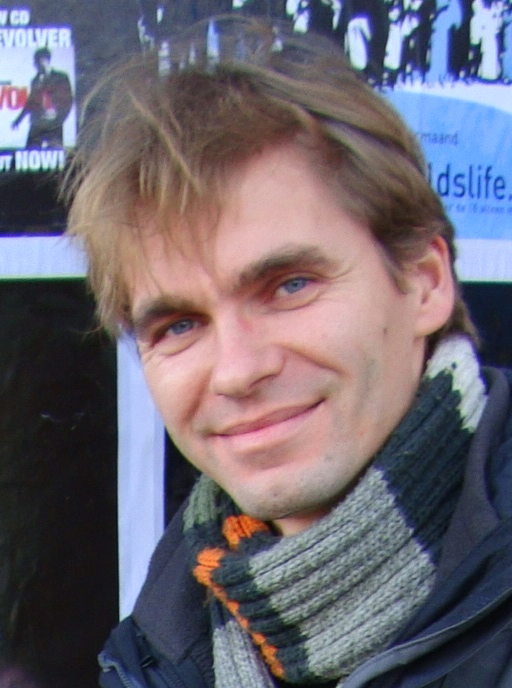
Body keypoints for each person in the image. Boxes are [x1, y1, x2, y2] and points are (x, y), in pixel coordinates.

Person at [63, 16, 512, 688]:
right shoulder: (151, 654)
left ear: (425, 282)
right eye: (179, 325)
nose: (239, 370)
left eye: (290, 286)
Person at [12, 47, 73, 149]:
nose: (35, 65)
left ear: (44, 60)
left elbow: (68, 100)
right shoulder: (35, 80)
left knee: (55, 154)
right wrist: (19, 119)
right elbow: (31, 102)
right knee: (30, 153)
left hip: (54, 125)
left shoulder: (61, 77)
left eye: (36, 61)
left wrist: (59, 120)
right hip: (37, 125)